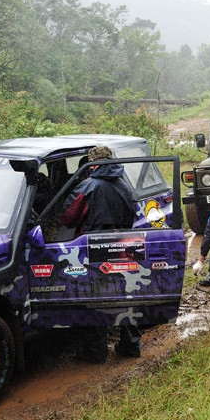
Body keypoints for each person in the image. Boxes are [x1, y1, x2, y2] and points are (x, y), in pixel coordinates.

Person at [62, 146, 140, 362]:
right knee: (125, 295)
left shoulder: (87, 187)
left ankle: (96, 352)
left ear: (92, 163)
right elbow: (130, 217)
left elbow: (68, 217)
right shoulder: (125, 187)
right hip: (123, 247)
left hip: (94, 248)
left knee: (96, 298)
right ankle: (131, 346)